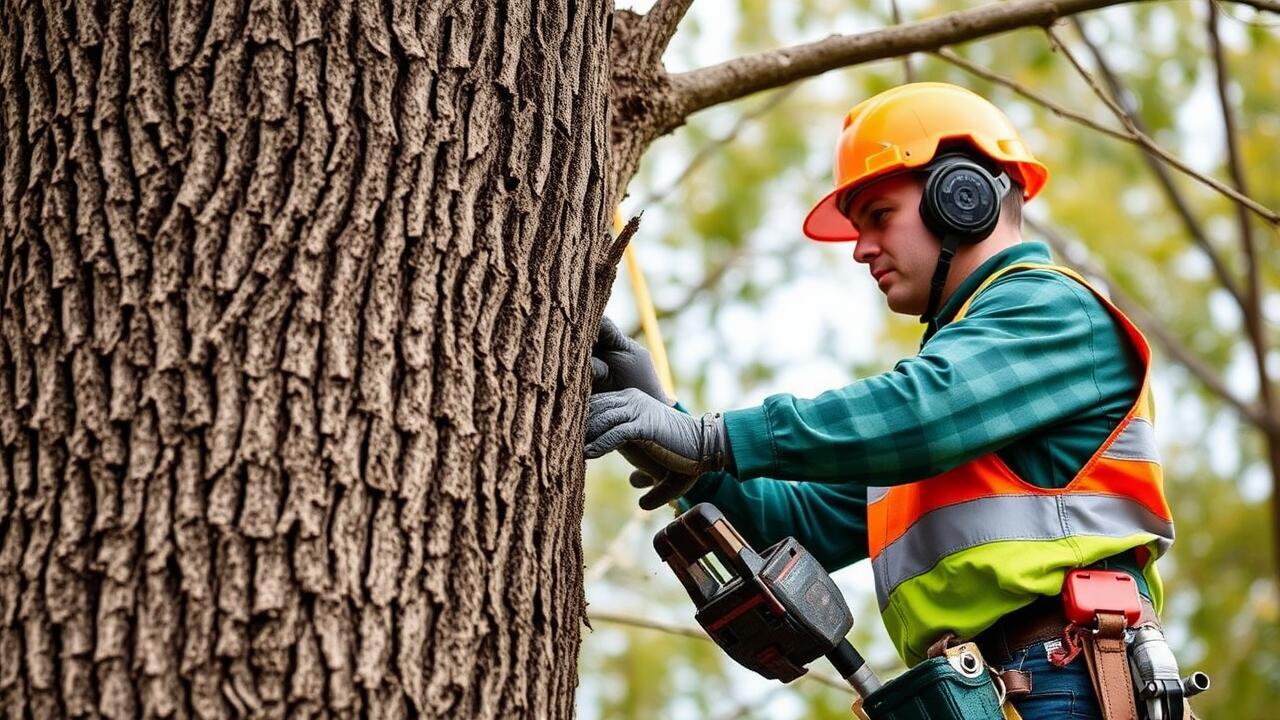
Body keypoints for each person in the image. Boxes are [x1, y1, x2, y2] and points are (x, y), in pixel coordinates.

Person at [585, 83, 1177, 720]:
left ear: (964, 197)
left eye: (878, 215)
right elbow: (792, 525)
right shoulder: (940, 412)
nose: (860, 247)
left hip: (1067, 678)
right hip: (986, 691)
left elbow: (921, 414)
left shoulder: (1051, 313)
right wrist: (666, 427)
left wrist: (709, 437)